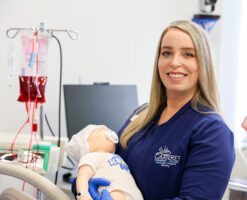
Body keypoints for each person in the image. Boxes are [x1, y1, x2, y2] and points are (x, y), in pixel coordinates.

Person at [73, 20, 235, 200]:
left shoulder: (212, 131)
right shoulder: (141, 116)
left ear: (203, 63)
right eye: (166, 52)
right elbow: (103, 162)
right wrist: (85, 187)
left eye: (188, 54)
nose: (174, 62)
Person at [65, 125, 143, 200]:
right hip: (113, 193)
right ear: (86, 144)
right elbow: (82, 177)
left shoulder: (115, 156)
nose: (108, 132)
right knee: (116, 195)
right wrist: (83, 194)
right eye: (100, 130)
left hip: (133, 194)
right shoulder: (91, 157)